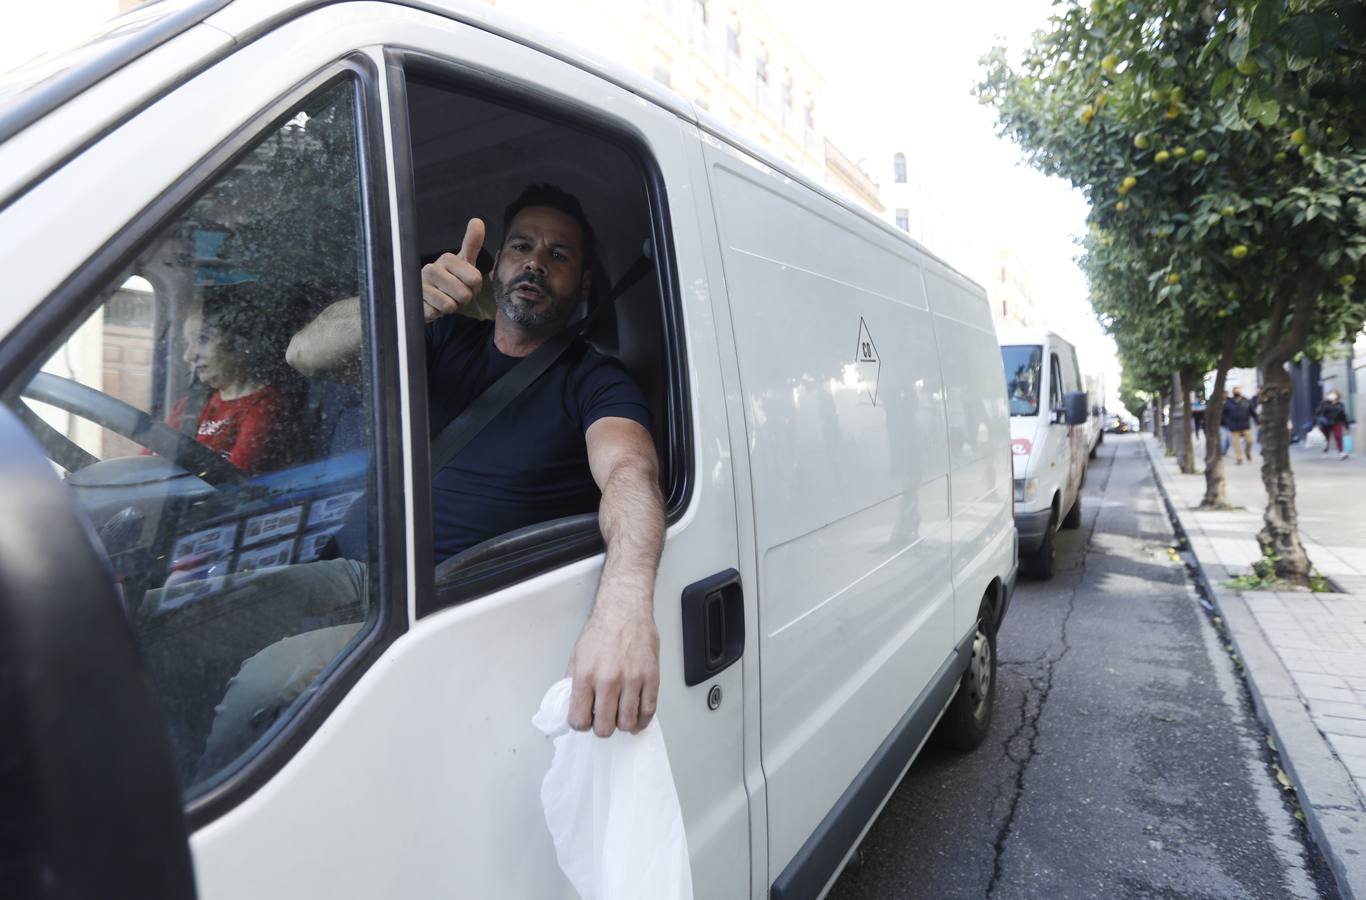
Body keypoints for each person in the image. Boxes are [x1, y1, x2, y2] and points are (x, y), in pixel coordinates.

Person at [287, 184, 663, 739]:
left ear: (582, 285)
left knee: (254, 682)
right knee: (189, 619)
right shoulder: (439, 339)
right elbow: (304, 354)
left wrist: (627, 602)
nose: (535, 263)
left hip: (428, 608)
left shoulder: (594, 382)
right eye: (520, 247)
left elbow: (631, 475)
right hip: (350, 565)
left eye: (558, 255)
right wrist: (400, 300)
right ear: (496, 268)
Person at [166, 285, 301, 475]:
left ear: (240, 343)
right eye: (187, 343)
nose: (188, 356)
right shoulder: (187, 407)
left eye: (202, 339)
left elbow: (231, 483)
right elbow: (146, 463)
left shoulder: (266, 407)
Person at [1221, 385, 1258, 465]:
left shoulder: (1246, 401)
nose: (1237, 392)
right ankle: (1239, 458)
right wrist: (1227, 422)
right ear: (1233, 392)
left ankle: (1247, 452)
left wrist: (1257, 422)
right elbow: (1223, 414)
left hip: (1245, 426)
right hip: (1234, 427)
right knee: (1236, 444)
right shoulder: (1228, 402)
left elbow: (1253, 413)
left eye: (1238, 391)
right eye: (1235, 391)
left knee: (1250, 441)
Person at [1315, 389, 1352, 459]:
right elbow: (1318, 413)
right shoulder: (1324, 403)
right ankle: (1325, 451)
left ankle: (1341, 452)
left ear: (1337, 396)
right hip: (1326, 422)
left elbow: (1343, 415)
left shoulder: (1340, 404)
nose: (1332, 395)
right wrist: (1316, 423)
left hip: (1337, 422)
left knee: (1338, 436)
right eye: (1330, 394)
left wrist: (1347, 425)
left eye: (1334, 394)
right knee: (1325, 438)